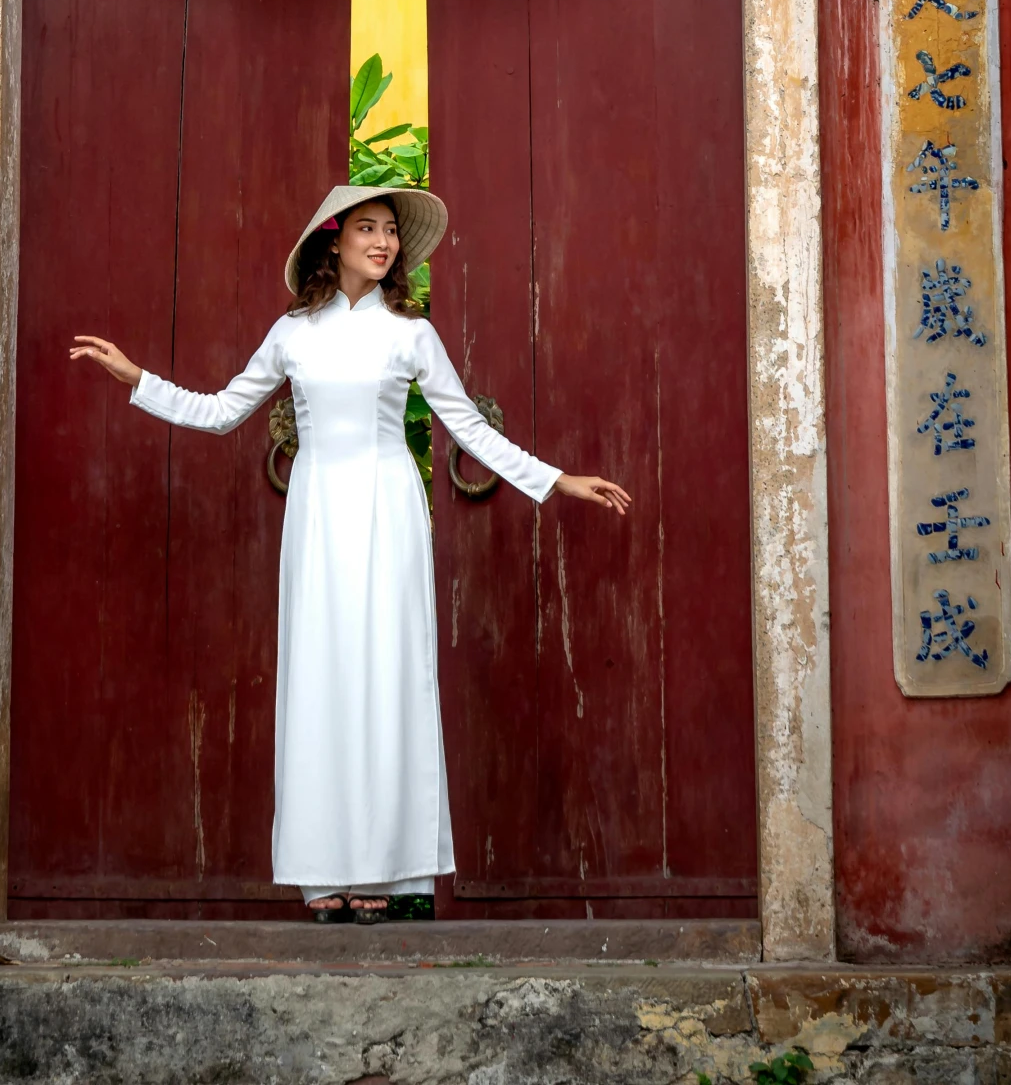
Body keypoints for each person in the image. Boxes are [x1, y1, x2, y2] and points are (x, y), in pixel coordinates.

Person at [71, 181, 631, 923]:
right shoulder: (291, 335)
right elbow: (221, 412)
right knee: (321, 677)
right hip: (318, 513)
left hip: (390, 508)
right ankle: (320, 871)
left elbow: (467, 427)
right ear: (332, 242)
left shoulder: (411, 334)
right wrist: (136, 379)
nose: (383, 242)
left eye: (390, 232)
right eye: (367, 228)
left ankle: (387, 870)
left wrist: (557, 480)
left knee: (388, 675)